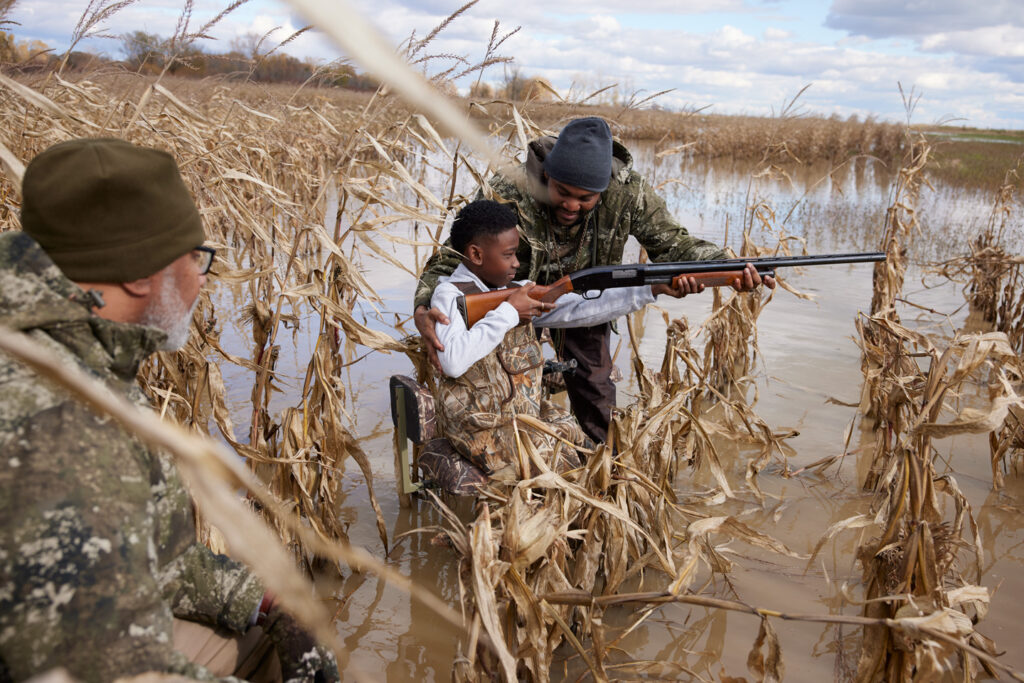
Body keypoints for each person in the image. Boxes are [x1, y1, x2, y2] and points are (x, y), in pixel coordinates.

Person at [0, 138, 337, 682]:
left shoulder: (75, 352)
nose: (202, 278)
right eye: (196, 257)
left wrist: (268, 601)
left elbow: (152, 556)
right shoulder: (57, 425)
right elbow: (92, 670)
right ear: (138, 272)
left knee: (268, 625)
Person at [414, 117, 775, 443]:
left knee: (596, 393)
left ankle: (601, 475)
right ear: (546, 177)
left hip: (586, 299)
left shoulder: (630, 193)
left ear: (604, 190)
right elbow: (457, 254)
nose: (571, 205)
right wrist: (424, 306)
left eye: (585, 198)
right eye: (562, 193)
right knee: (506, 393)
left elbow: (675, 246)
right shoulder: (511, 189)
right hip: (510, 299)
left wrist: (726, 270)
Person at [430, 199, 686, 480]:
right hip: (477, 429)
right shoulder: (449, 296)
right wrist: (508, 312)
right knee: (570, 473)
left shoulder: (512, 291)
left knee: (593, 451)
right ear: (476, 255)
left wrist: (650, 290)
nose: (517, 262)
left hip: (520, 417)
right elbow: (452, 362)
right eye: (509, 254)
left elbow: (578, 307)